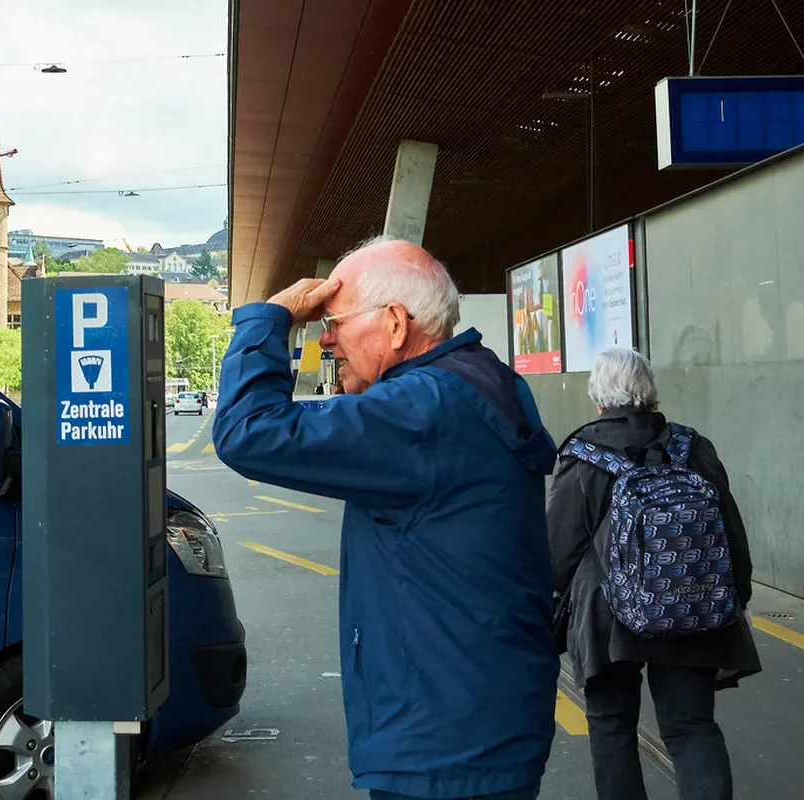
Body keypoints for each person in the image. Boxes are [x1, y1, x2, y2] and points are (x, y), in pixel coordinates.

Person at [211, 236, 560, 800]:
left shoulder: (422, 412)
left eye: (334, 322)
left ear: (395, 323)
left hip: (440, 744)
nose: (326, 339)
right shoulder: (472, 383)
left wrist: (270, 320)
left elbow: (249, 432)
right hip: (476, 719)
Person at [546, 348, 761, 800]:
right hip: (690, 603)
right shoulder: (692, 446)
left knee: (612, 727)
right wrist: (731, 596)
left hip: (607, 617)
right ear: (649, 392)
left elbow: (558, 550)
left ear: (597, 398)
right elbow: (729, 532)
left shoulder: (584, 454)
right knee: (691, 729)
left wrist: (549, 607)